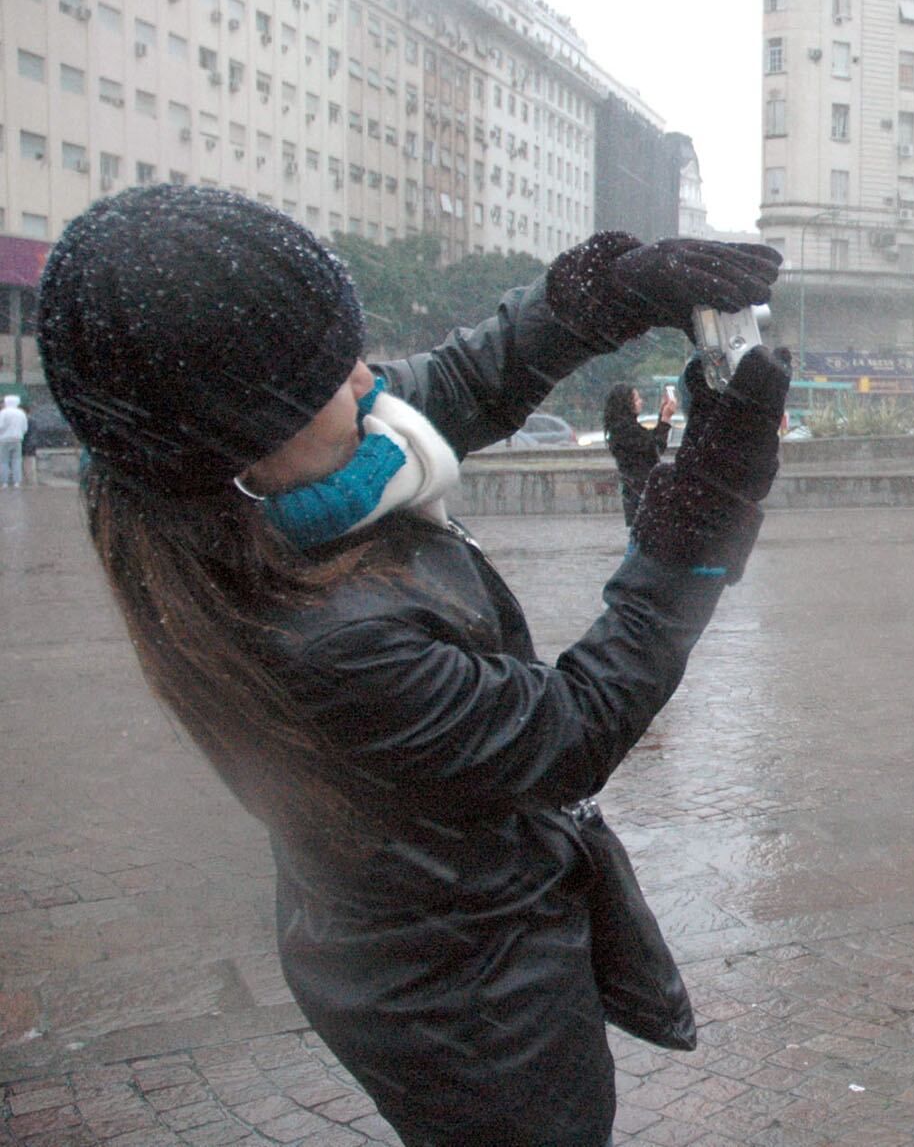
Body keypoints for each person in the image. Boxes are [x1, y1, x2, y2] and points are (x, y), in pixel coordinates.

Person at [35, 185, 787, 1146]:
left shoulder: (239, 490)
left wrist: (609, 294)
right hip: (470, 998)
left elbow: (457, 385)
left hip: (422, 929)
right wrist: (697, 523)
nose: (364, 381)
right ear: (236, 445)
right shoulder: (319, 641)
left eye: (343, 350)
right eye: (323, 379)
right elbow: (570, 730)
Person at [604, 382, 675, 528]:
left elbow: (651, 442)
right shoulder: (627, 431)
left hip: (637, 493)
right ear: (626, 404)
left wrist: (662, 415)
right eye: (636, 399)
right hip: (641, 493)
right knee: (639, 541)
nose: (640, 402)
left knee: (639, 540)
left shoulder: (623, 428)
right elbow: (655, 447)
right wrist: (665, 419)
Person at [0, 394, 25, 488]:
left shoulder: (3, 413)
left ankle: (4, 482)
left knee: (4, 461)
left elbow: (0, 426)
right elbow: (24, 428)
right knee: (17, 461)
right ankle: (17, 482)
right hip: (18, 439)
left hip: (4, 439)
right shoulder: (21, 413)